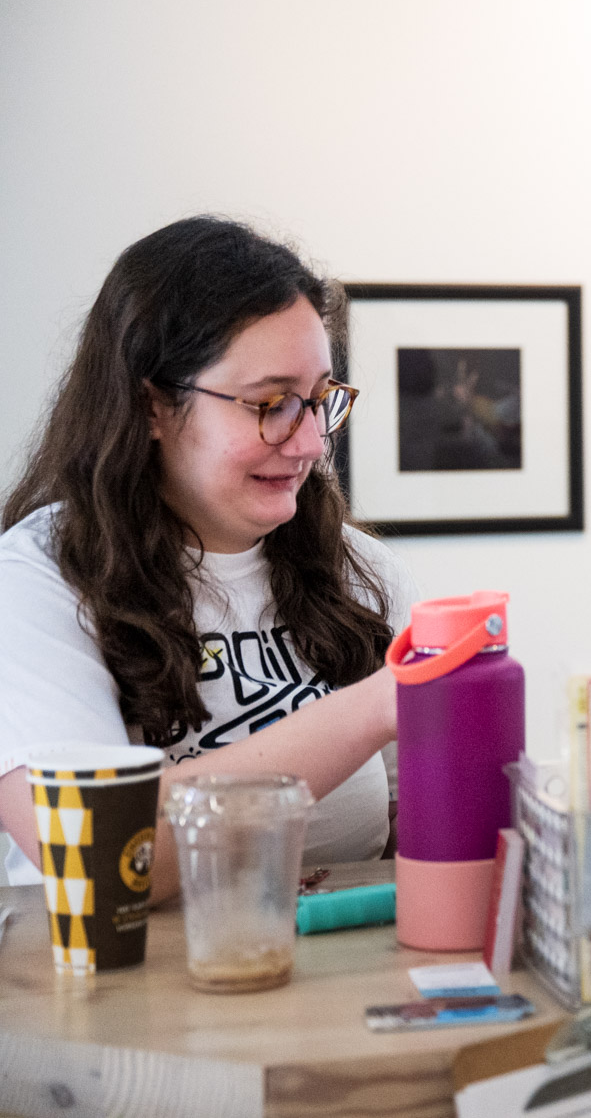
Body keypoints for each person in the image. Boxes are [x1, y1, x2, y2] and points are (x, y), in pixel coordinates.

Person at [0, 217, 417, 900]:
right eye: (271, 403)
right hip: (124, 1002)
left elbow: (414, 835)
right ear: (153, 405)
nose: (311, 441)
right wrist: (377, 706)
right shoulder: (38, 579)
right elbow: (96, 849)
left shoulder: (359, 570)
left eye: (319, 401)